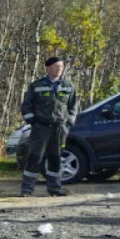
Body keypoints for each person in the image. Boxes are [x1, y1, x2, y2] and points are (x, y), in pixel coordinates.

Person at [20, 56, 79, 196]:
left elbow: (73, 106)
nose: (59, 69)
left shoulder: (67, 86)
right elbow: (26, 106)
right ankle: (27, 190)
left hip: (60, 128)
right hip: (41, 128)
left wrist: (69, 122)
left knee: (56, 158)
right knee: (35, 157)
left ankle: (55, 189)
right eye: (55, 66)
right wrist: (32, 121)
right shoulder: (36, 86)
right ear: (48, 68)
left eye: (61, 67)